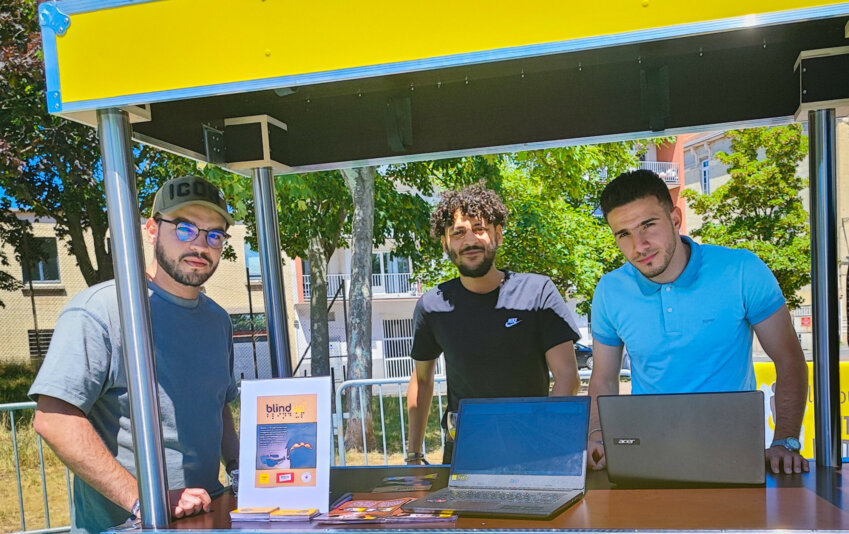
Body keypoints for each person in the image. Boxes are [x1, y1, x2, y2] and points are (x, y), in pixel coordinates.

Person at [29, 175, 241, 534]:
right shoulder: (102, 310)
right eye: (186, 229)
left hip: (204, 519)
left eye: (214, 235)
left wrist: (241, 472)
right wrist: (148, 501)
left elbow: (218, 406)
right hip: (126, 526)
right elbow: (54, 419)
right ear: (152, 229)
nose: (201, 245)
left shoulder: (218, 320)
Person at [586, 169, 808, 475]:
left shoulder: (741, 269)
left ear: (676, 219)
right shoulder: (610, 291)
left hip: (735, 456)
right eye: (623, 234)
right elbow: (604, 379)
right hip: (648, 459)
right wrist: (597, 435)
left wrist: (785, 439)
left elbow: (789, 360)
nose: (639, 245)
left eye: (648, 225)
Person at [405, 183, 581, 465]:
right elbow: (422, 380)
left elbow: (567, 377)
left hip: (532, 452)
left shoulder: (538, 292)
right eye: (458, 232)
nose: (470, 240)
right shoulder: (432, 306)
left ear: (497, 234)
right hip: (465, 454)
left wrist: (545, 439)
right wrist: (413, 455)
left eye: (480, 228)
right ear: (446, 243)